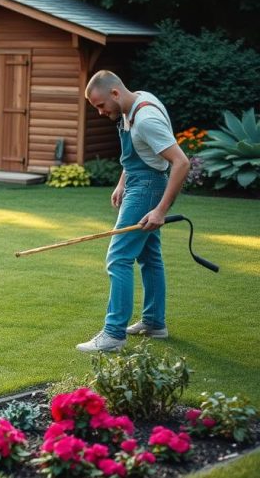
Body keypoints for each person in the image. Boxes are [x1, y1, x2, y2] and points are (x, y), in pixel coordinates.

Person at [78, 70, 189, 353]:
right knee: (149, 256)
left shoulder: (147, 119)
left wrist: (160, 210)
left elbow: (180, 163)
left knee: (118, 257)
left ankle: (113, 335)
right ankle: (154, 323)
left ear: (115, 93)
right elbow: (137, 154)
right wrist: (121, 182)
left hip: (148, 187)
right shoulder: (133, 103)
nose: (101, 113)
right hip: (139, 182)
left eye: (101, 106)